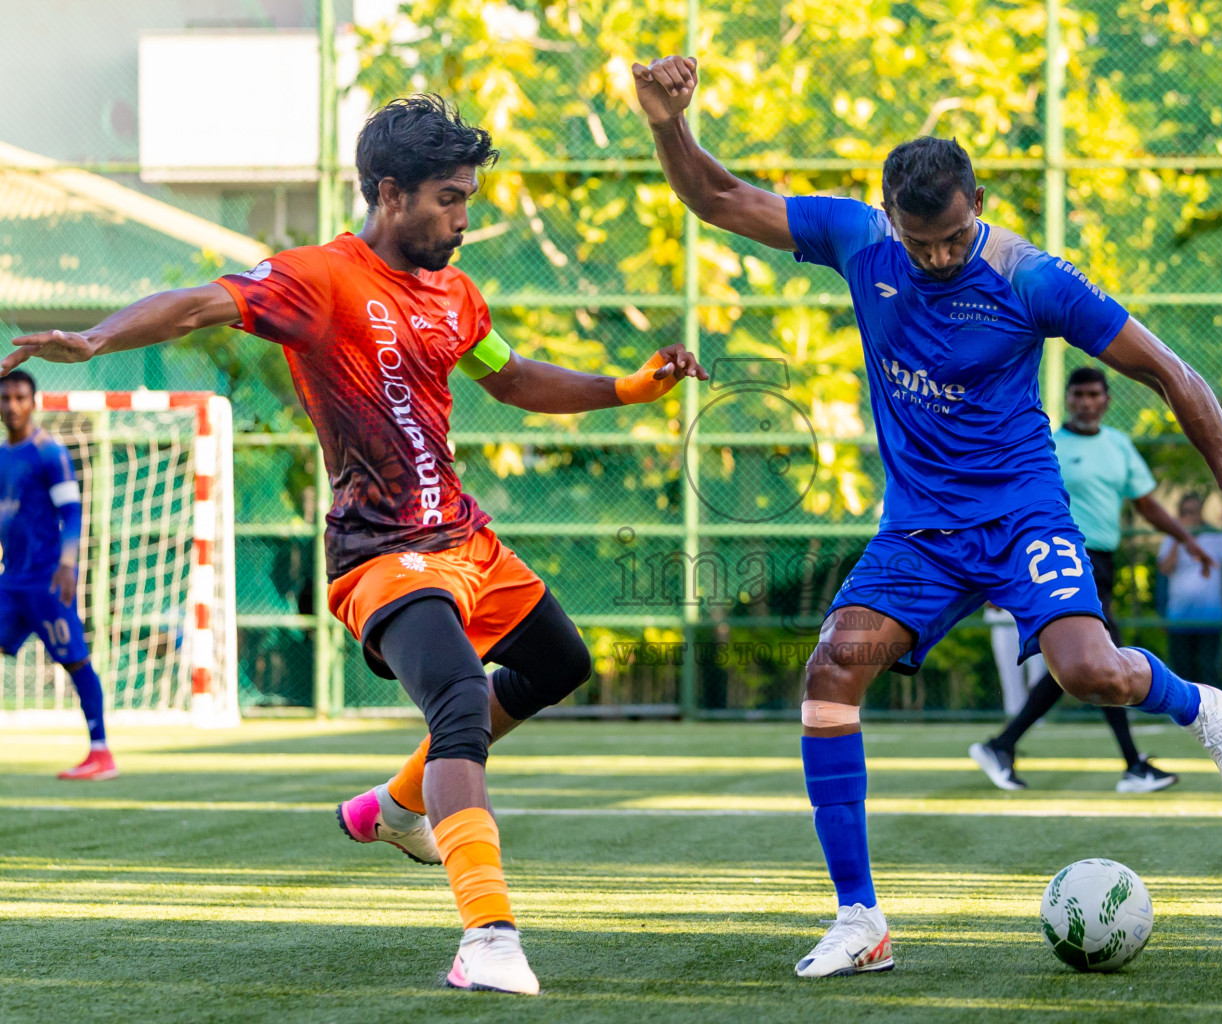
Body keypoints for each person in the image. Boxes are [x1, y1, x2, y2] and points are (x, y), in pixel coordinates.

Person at [633, 54, 1222, 979]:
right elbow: (716, 198)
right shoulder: (856, 240)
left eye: (955, 236)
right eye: (924, 245)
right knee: (833, 671)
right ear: (890, 220)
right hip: (920, 528)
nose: (942, 257)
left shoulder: (1032, 278)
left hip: (1023, 512)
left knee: (1088, 673)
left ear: (977, 203)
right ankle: (859, 919)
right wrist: (668, 124)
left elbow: (1171, 373)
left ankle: (1202, 706)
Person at [4, 94, 705, 996]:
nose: (464, 217)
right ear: (389, 193)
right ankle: (487, 936)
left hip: (467, 540)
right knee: (458, 704)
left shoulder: (457, 294)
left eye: (467, 198)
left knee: (561, 662)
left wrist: (628, 386)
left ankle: (398, 804)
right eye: (449, 199)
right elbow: (194, 306)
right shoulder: (317, 278)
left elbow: (518, 377)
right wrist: (98, 338)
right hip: (381, 554)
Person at [969, 367, 1216, 794]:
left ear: (1106, 400)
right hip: (1060, 560)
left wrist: (1187, 541)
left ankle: (1004, 745)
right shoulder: (1049, 446)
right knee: (1102, 658)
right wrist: (998, 575)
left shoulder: (1118, 446)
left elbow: (1146, 504)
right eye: (1078, 394)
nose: (1085, 402)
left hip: (1102, 562)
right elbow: (1009, 503)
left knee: (1091, 662)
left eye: (1093, 395)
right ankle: (1131, 765)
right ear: (1068, 399)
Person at [0, 370, 114, 780]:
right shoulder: (2, 455)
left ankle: (101, 753)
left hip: (47, 581)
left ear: (34, 403)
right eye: (5, 398)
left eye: (19, 397)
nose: (12, 405)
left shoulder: (49, 453)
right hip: (10, 582)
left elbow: (70, 512)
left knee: (76, 662)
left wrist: (68, 563)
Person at [1158, 491, 1222, 689]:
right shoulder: (1171, 539)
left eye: (1194, 511)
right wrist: (1180, 537)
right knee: (1181, 671)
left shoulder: (1215, 535)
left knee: (1209, 669)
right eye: (1186, 512)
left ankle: (1215, 715)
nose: (1191, 516)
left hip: (1210, 616)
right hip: (1179, 616)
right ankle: (1183, 716)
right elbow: (1165, 569)